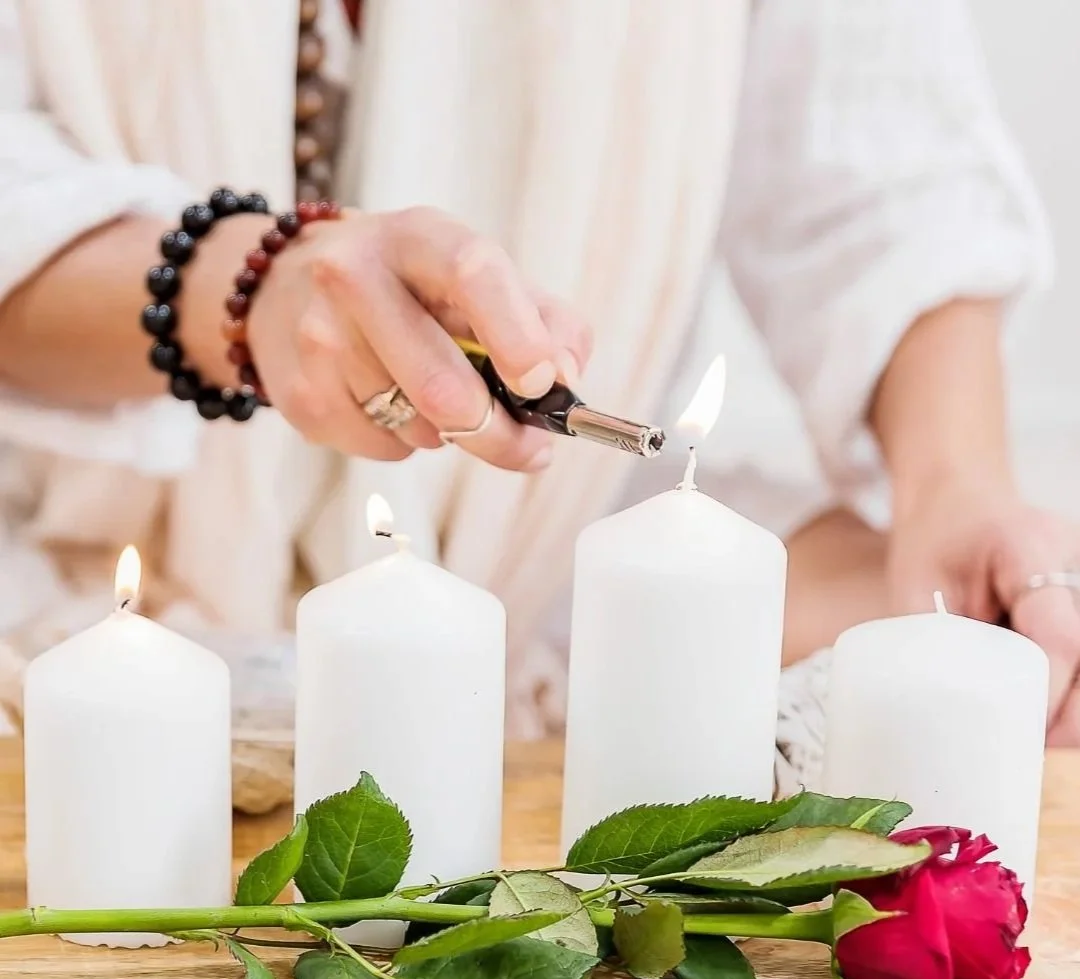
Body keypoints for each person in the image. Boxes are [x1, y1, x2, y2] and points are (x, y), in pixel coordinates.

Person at [0, 0, 1076, 747]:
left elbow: (882, 174)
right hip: (57, 565)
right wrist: (249, 291)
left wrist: (958, 488)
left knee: (956, 643)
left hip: (528, 559)